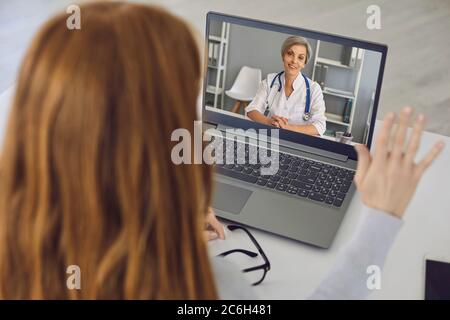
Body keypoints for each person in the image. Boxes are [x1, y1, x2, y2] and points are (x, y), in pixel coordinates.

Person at [0, 2, 444, 300]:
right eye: (183, 105)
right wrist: (381, 219)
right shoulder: (184, 286)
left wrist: (150, 221)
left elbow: (321, 126)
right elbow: (250, 111)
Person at [245, 36, 327, 136]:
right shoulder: (270, 81)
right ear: (283, 56)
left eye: (300, 57)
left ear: (304, 63)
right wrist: (269, 122)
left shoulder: (314, 89)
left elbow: (320, 126)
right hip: (271, 137)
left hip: (298, 144)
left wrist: (287, 127)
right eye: (290, 54)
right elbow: (251, 110)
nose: (294, 61)